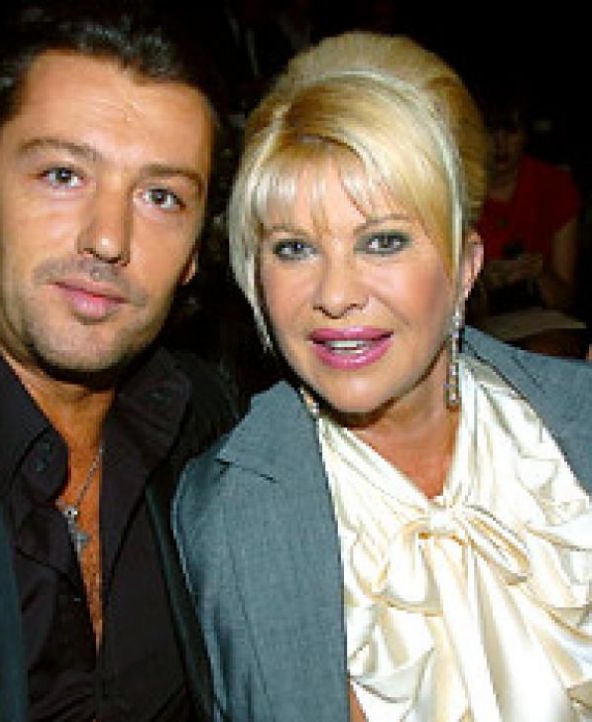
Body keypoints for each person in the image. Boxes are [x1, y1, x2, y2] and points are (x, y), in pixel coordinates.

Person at [172, 30, 592, 722]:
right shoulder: (226, 513)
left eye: (383, 241)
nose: (336, 294)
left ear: (465, 266)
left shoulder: (574, 424)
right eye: (294, 248)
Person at [0, 2, 238, 720]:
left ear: (193, 254)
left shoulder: (215, 426)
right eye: (63, 175)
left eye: (160, 197)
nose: (108, 238)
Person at [469, 81, 586, 357]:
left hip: (541, 323)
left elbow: (564, 299)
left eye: (511, 131)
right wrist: (480, 283)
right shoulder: (459, 189)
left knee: (544, 352)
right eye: (490, 131)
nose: (500, 144)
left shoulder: (555, 186)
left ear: (525, 134)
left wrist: (541, 272)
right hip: (480, 323)